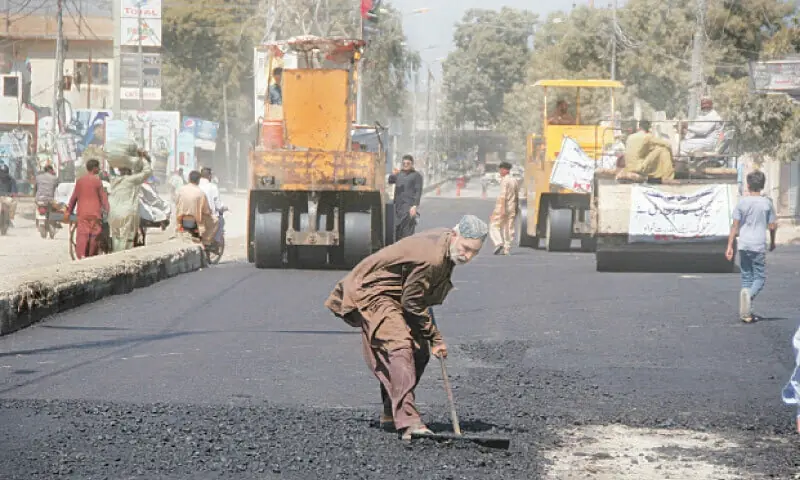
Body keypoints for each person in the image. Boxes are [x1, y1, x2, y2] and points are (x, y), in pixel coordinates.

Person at [324, 215, 489, 441]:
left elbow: (418, 297)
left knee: (419, 352)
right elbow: (412, 303)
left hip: (398, 294)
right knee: (400, 345)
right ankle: (409, 421)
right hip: (374, 291)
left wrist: (429, 339)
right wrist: (436, 337)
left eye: (474, 252)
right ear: (454, 234)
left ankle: (391, 412)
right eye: (466, 248)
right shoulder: (433, 258)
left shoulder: (446, 247)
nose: (468, 256)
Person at [725, 170, 777, 323]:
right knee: (760, 278)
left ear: (748, 185)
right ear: (762, 185)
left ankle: (746, 313)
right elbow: (772, 226)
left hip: (743, 244)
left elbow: (734, 226)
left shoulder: (742, 202)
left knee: (747, 277)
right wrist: (773, 242)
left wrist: (729, 246)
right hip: (758, 245)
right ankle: (747, 301)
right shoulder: (767, 203)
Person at [64, 159, 109, 259]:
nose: (99, 169)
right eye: (98, 167)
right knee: (94, 236)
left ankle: (81, 255)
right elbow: (103, 198)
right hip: (95, 214)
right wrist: (109, 211)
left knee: (82, 235)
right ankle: (90, 256)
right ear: (95, 168)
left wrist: (68, 212)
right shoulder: (97, 182)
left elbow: (73, 198)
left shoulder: (80, 181)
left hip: (83, 214)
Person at [108, 149, 152, 252]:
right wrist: (142, 158)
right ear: (129, 171)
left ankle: (116, 254)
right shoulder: (133, 180)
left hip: (114, 213)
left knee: (117, 238)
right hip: (128, 213)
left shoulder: (114, 180)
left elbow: (110, 170)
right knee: (128, 239)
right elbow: (147, 171)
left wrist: (109, 159)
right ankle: (124, 256)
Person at [175, 170, 218, 246]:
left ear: (189, 179)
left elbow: (176, 203)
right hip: (195, 221)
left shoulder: (181, 190)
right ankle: (206, 241)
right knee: (215, 220)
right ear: (199, 180)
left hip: (180, 219)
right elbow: (206, 211)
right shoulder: (201, 193)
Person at [387, 155, 424, 241]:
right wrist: (393, 174)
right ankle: (399, 252)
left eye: (408, 163)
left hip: (409, 207)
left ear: (412, 164)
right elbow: (390, 180)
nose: (406, 165)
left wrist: (415, 206)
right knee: (397, 232)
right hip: (398, 207)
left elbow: (418, 191)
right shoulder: (399, 174)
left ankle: (407, 252)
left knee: (407, 233)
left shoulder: (416, 176)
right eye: (404, 163)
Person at [489, 161, 519, 255]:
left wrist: (501, 210)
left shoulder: (504, 181)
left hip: (503, 207)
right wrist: (516, 208)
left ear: (504, 170)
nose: (500, 172)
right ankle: (507, 248)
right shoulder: (514, 180)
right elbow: (517, 196)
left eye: (501, 170)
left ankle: (498, 243)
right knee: (508, 228)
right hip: (512, 207)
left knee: (494, 226)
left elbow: (503, 197)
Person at [199, 167, 226, 245]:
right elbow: (218, 206)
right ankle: (215, 242)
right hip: (208, 217)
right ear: (209, 176)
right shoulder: (213, 187)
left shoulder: (196, 185)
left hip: (195, 215)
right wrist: (224, 208)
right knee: (221, 221)